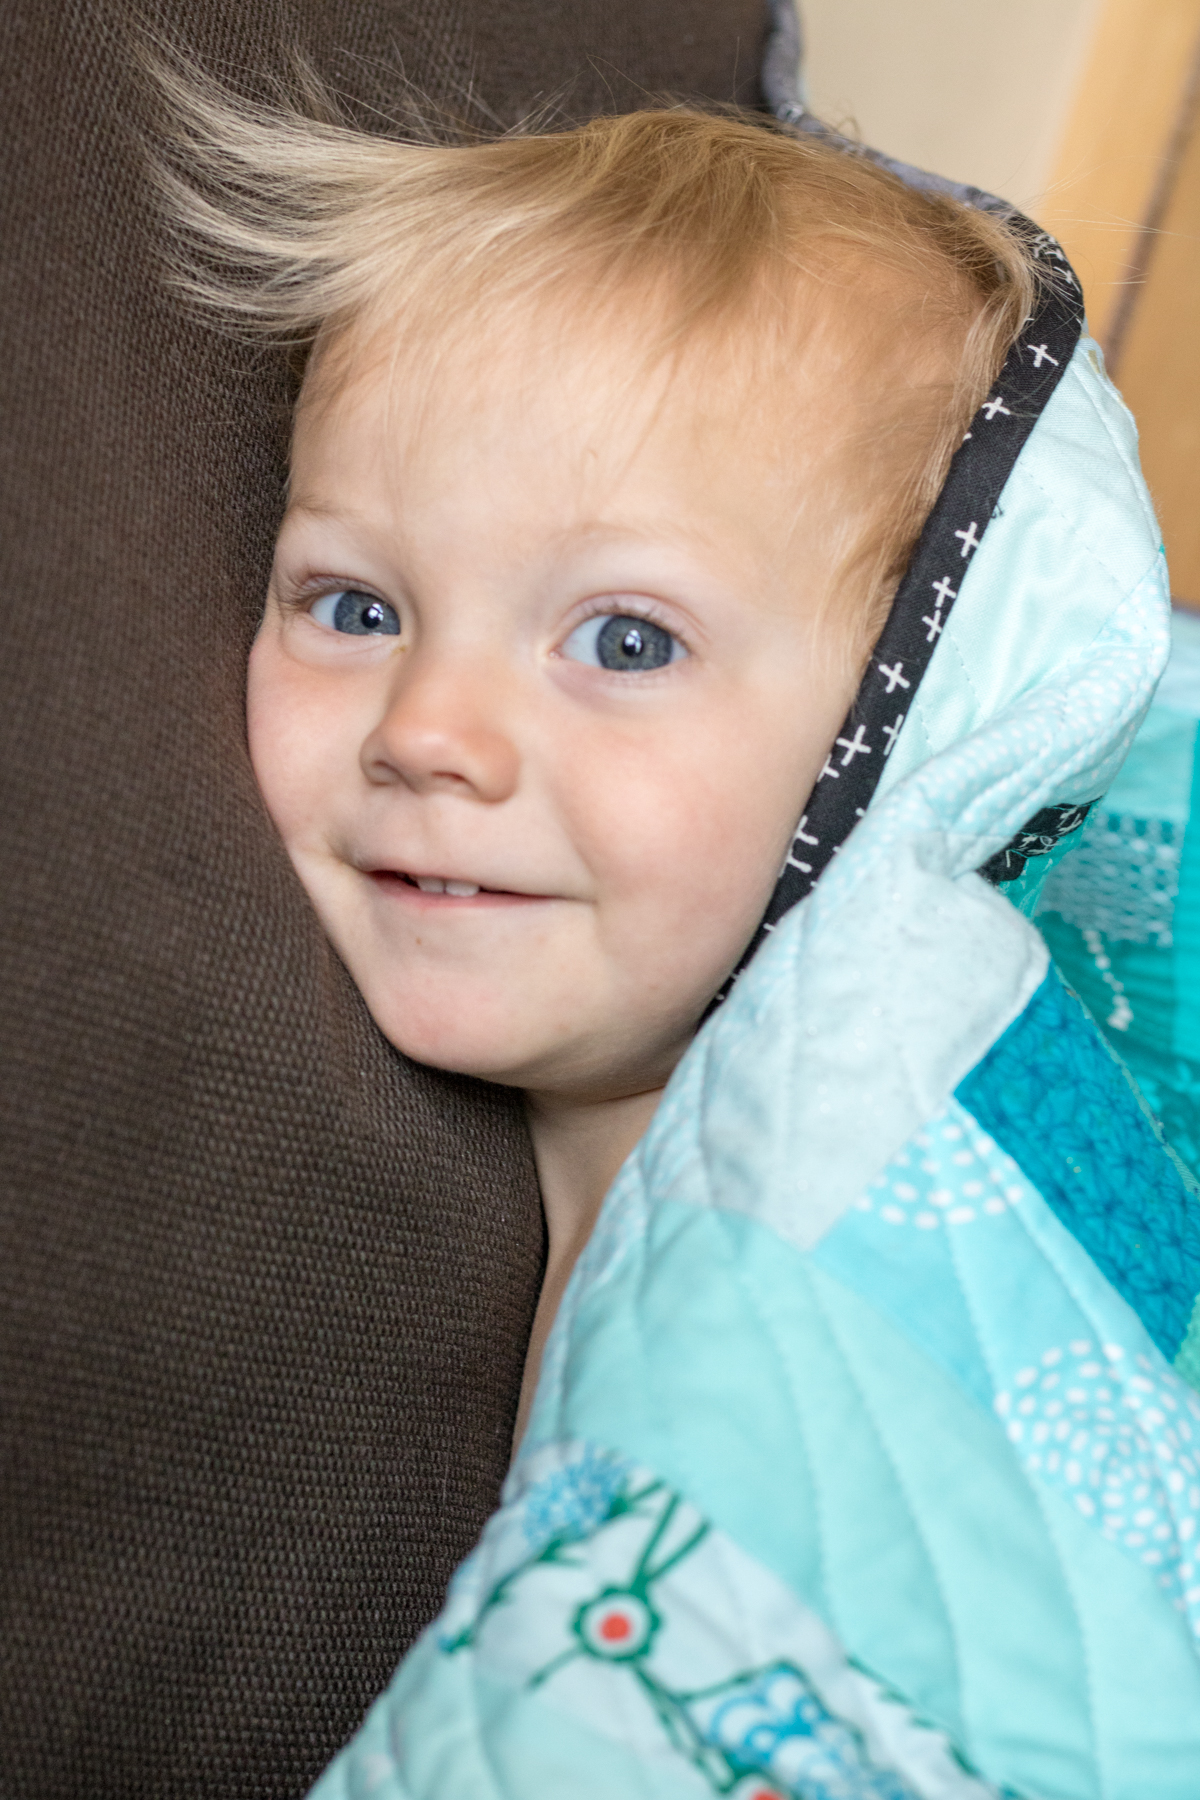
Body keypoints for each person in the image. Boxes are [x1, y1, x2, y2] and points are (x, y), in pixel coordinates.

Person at [154, 68, 1200, 1800]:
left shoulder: (808, 1173)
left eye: (625, 642)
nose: (431, 730)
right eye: (356, 607)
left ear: (904, 709)